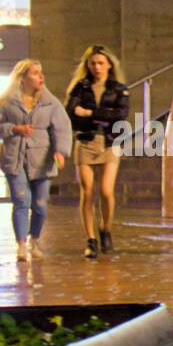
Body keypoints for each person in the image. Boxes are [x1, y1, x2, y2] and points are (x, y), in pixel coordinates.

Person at [0, 59, 71, 262]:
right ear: (22, 77)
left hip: (42, 158)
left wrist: (60, 151)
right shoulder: (5, 102)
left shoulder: (51, 103)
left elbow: (62, 128)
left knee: (41, 204)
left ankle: (35, 240)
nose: (41, 77)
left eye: (41, 72)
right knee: (21, 200)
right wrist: (14, 129)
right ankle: (21, 245)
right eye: (35, 73)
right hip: (14, 158)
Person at [65, 45, 130, 259]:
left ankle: (106, 228)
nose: (97, 67)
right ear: (87, 65)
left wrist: (91, 112)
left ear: (109, 64)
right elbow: (73, 116)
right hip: (85, 142)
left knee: (106, 191)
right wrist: (102, 115)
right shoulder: (80, 88)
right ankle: (91, 239)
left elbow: (120, 116)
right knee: (88, 191)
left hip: (110, 142)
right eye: (93, 63)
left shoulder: (119, 89)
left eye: (101, 63)